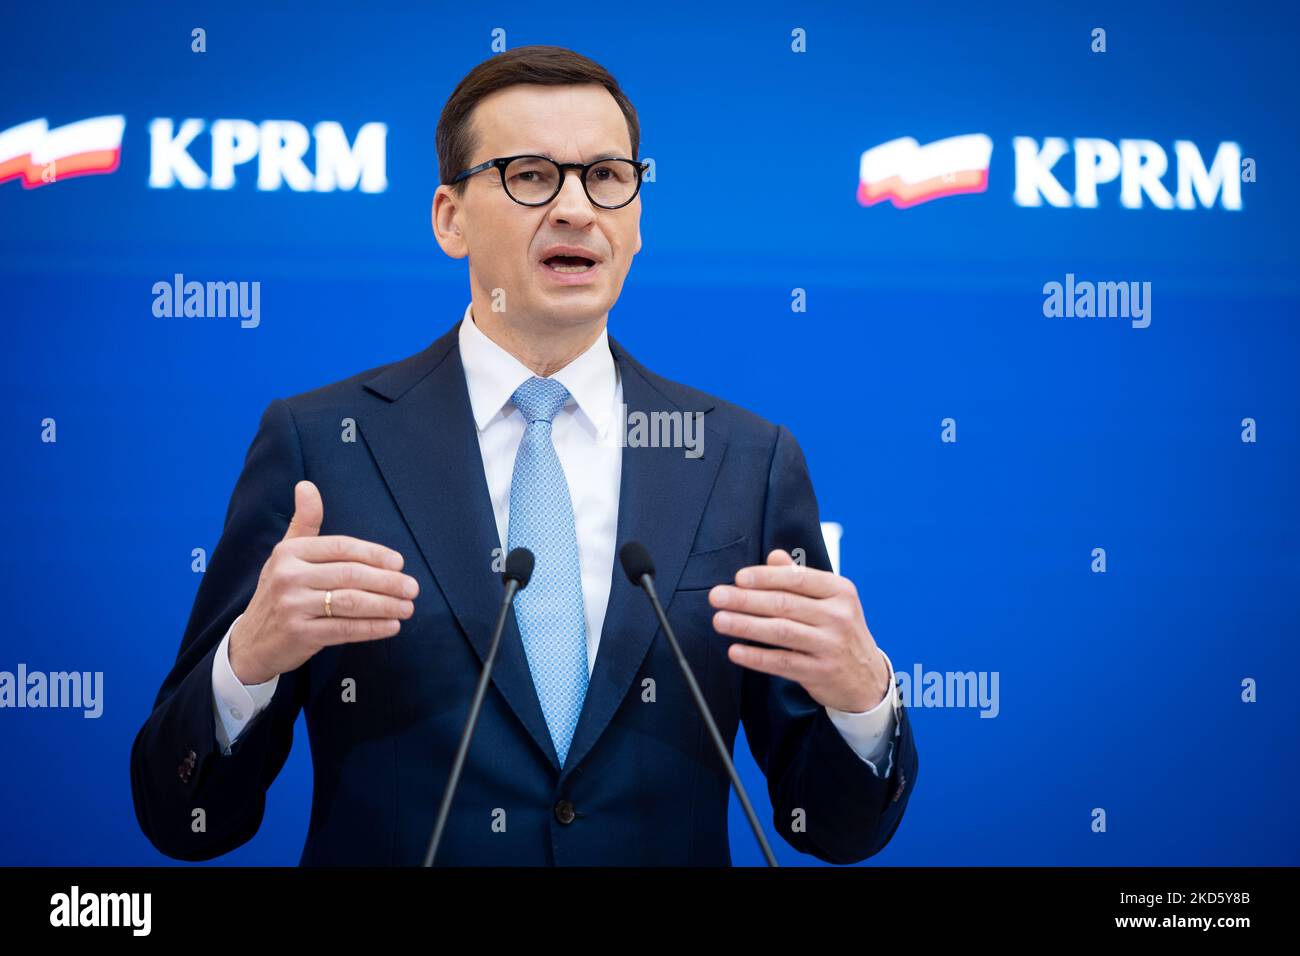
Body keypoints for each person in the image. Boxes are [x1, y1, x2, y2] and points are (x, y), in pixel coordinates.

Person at [130, 44, 917, 865]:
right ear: (450, 218)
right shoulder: (324, 446)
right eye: (531, 175)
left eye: (607, 176)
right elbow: (184, 816)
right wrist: (247, 662)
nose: (577, 208)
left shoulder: (744, 461)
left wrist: (862, 701)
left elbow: (830, 829)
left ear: (638, 218)